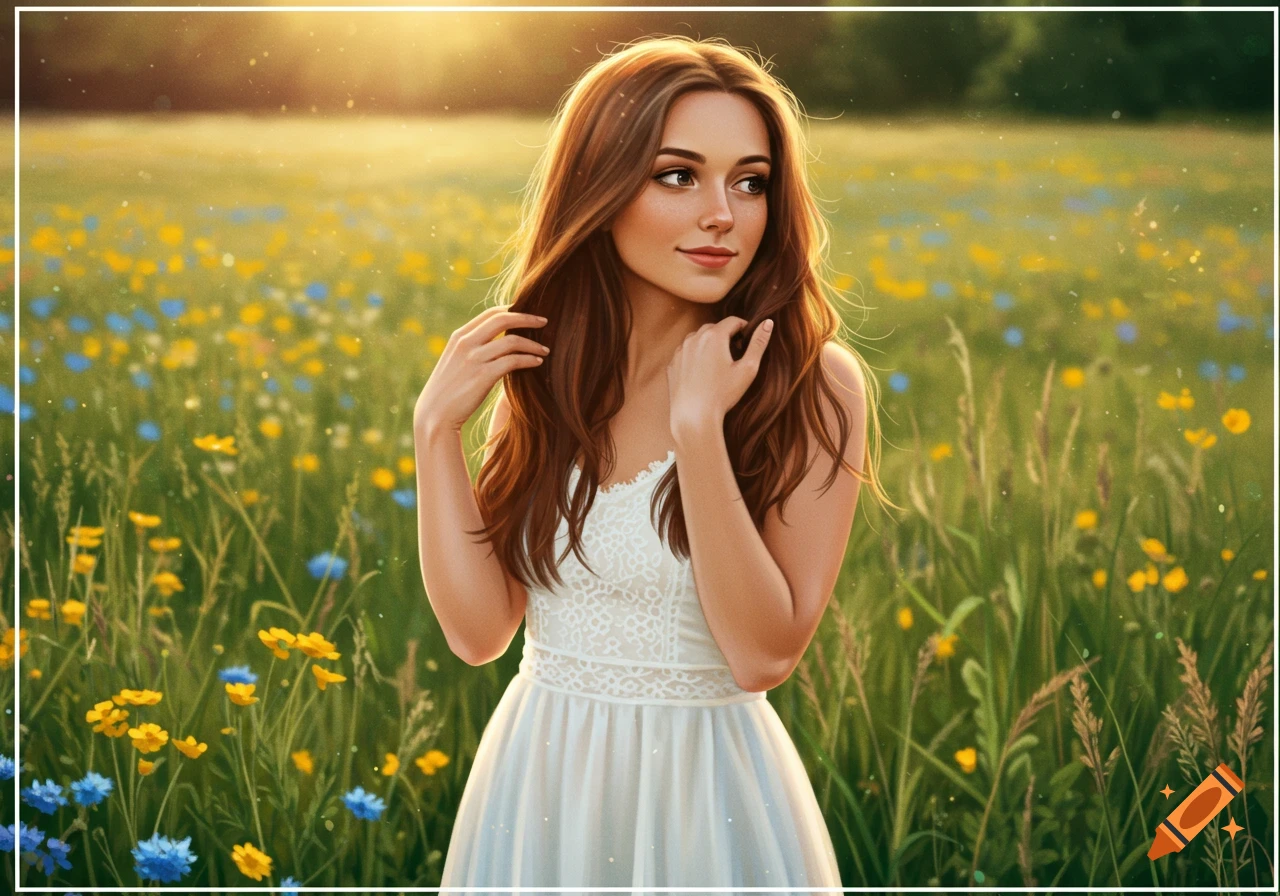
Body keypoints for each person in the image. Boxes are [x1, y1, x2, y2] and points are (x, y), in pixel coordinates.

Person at [413, 34, 898, 891]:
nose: (725, 213)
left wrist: (699, 431)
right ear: (600, 188)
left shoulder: (811, 383)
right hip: (540, 784)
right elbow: (480, 632)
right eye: (679, 176)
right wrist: (434, 435)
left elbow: (762, 656)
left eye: (750, 182)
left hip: (704, 798)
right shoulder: (549, 368)